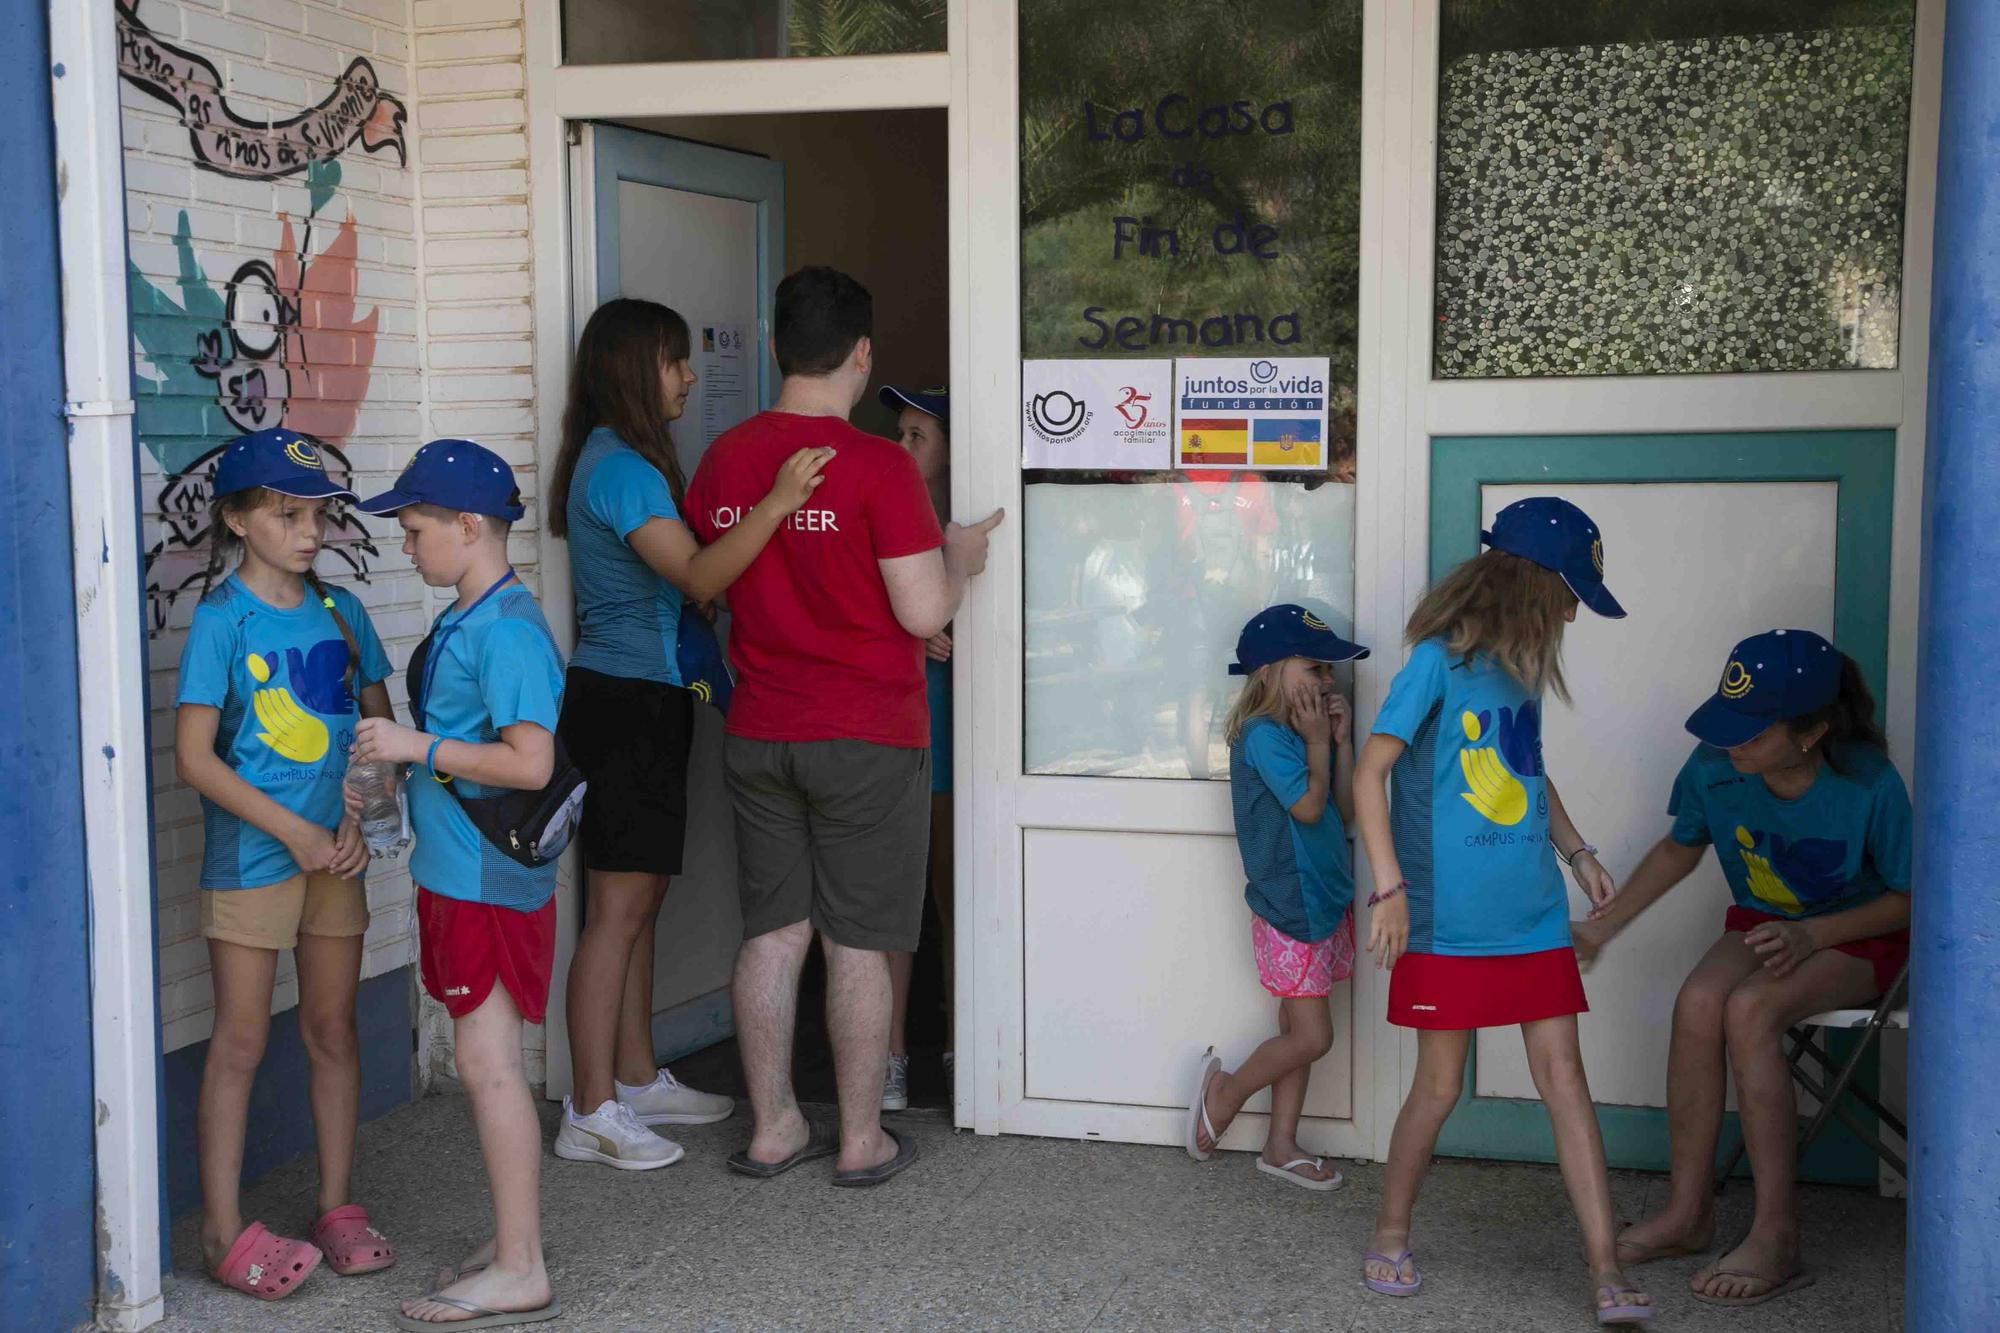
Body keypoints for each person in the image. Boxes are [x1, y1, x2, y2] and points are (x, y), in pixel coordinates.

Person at [686, 267, 1001, 1187]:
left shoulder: (728, 458)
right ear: (862, 354)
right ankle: (862, 1137)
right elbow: (920, 612)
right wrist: (961, 559)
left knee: (774, 934)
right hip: (868, 731)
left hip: (761, 727)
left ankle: (774, 1126)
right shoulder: (879, 465)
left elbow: (716, 573)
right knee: (859, 939)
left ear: (777, 345)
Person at [1352, 497, 1654, 1325]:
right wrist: (1389, 889)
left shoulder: (1521, 671)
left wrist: (1580, 851)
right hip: (1446, 921)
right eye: (1569, 593)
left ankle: (1604, 1268)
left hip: (1532, 916)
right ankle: (1389, 1232)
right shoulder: (1434, 665)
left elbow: (1528, 773)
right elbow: (1367, 775)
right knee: (1440, 1087)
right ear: (1532, 582)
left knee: (1566, 1083)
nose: (1571, 611)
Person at [545, 297, 832, 1169]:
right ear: (638, 370)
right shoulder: (622, 469)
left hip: (643, 698)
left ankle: (634, 1077)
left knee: (639, 904)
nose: (688, 376)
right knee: (615, 912)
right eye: (674, 361)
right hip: (625, 703)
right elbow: (702, 572)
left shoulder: (617, 459)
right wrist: (781, 500)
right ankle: (589, 1106)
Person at [1573, 629, 1911, 1309]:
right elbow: (1680, 848)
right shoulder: (1714, 766)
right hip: (1764, 922)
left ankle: (1776, 1235)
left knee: (1750, 1008)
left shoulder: (1869, 784)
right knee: (1698, 1000)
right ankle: (1689, 1212)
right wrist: (1603, 928)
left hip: (1861, 932)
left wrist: (1814, 934)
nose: (1733, 742)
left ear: (1813, 730)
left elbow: (1909, 897)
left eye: (1753, 731)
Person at [174, 428, 397, 1299]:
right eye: (287, 513)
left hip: (335, 857)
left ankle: (337, 1206)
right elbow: (196, 756)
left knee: (333, 1029)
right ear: (237, 518)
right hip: (252, 856)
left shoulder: (344, 613)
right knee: (239, 1037)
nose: (310, 532)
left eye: (320, 515)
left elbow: (379, 732)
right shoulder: (223, 620)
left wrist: (360, 817)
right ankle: (222, 1231)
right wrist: (294, 832)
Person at [351, 442, 564, 1329]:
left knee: (488, 1068)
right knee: (488, 1066)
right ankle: (512, 1240)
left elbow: (530, 761)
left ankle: (521, 1264)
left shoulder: (507, 629)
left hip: (486, 880)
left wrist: (412, 749)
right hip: (458, 872)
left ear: (469, 526)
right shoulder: (468, 617)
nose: (406, 546)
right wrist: (403, 769)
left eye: (414, 529)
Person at [1185, 605, 1366, 1190]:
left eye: (1328, 670)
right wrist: (1316, 739)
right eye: (1313, 666)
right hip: (1292, 908)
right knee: (1312, 1036)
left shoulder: (1295, 735)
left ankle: (1280, 1143)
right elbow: (1307, 808)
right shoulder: (1264, 736)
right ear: (1268, 671)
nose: (1325, 679)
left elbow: (1341, 808)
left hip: (1321, 900)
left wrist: (1337, 742)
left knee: (1296, 1030)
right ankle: (1227, 1092)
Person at [878, 383, 954, 1111]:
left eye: (918, 435)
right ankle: (893, 1056)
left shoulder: (965, 524)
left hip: (961, 732)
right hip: (902, 727)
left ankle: (965, 1050)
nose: (901, 447)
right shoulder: (885, 512)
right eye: (897, 431)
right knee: (899, 904)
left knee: (953, 892)